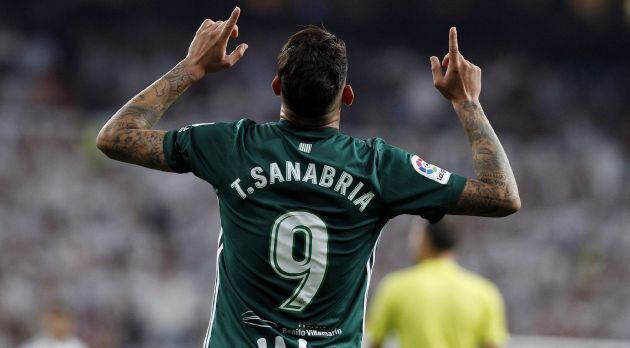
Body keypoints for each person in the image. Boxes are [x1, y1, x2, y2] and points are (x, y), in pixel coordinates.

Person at [95, 7, 520, 347]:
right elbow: (502, 195)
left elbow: (116, 137)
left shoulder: (231, 146)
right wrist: (467, 102)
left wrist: (191, 67)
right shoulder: (377, 166)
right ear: (347, 96)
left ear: (276, 86)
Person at [367, 220, 509, 348]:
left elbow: (374, 342)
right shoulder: (485, 292)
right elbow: (493, 345)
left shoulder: (395, 287)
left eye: (415, 236)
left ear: (426, 240)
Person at [19, 305, 88, 348]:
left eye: (62, 320)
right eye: (55, 320)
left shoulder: (77, 345)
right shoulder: (35, 344)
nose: (58, 325)